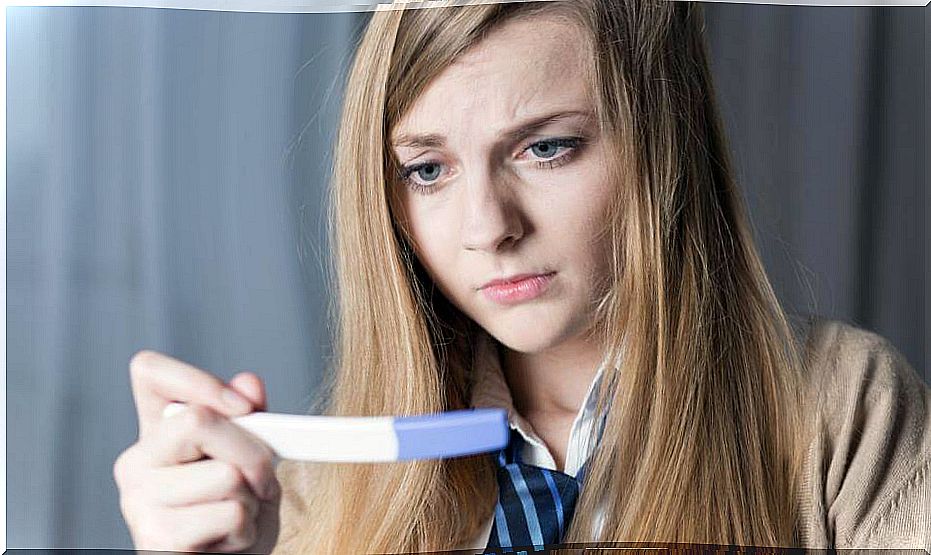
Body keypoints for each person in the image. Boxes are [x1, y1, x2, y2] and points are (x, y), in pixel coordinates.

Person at [113, 0, 931, 553]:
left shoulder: (842, 408)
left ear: (661, 145)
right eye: (428, 169)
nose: (487, 228)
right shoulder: (305, 495)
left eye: (546, 148)